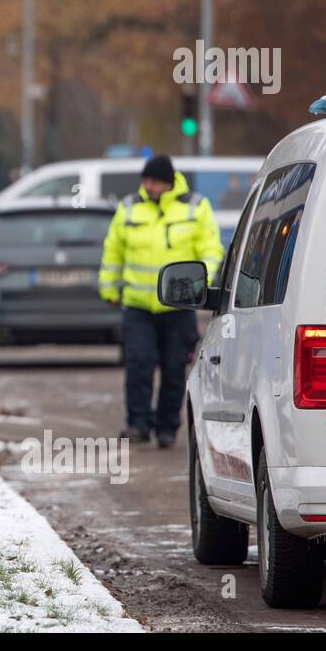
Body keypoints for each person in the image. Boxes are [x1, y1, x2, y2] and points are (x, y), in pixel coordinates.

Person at [98, 155, 223, 448]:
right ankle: (138, 424)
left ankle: (167, 427)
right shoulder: (130, 207)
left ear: (167, 182)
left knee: (173, 367)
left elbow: (211, 249)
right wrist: (109, 289)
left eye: (153, 181)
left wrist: (199, 285)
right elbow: (113, 250)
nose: (148, 186)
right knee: (138, 364)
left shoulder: (195, 206)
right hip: (138, 305)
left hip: (178, 307)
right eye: (146, 180)